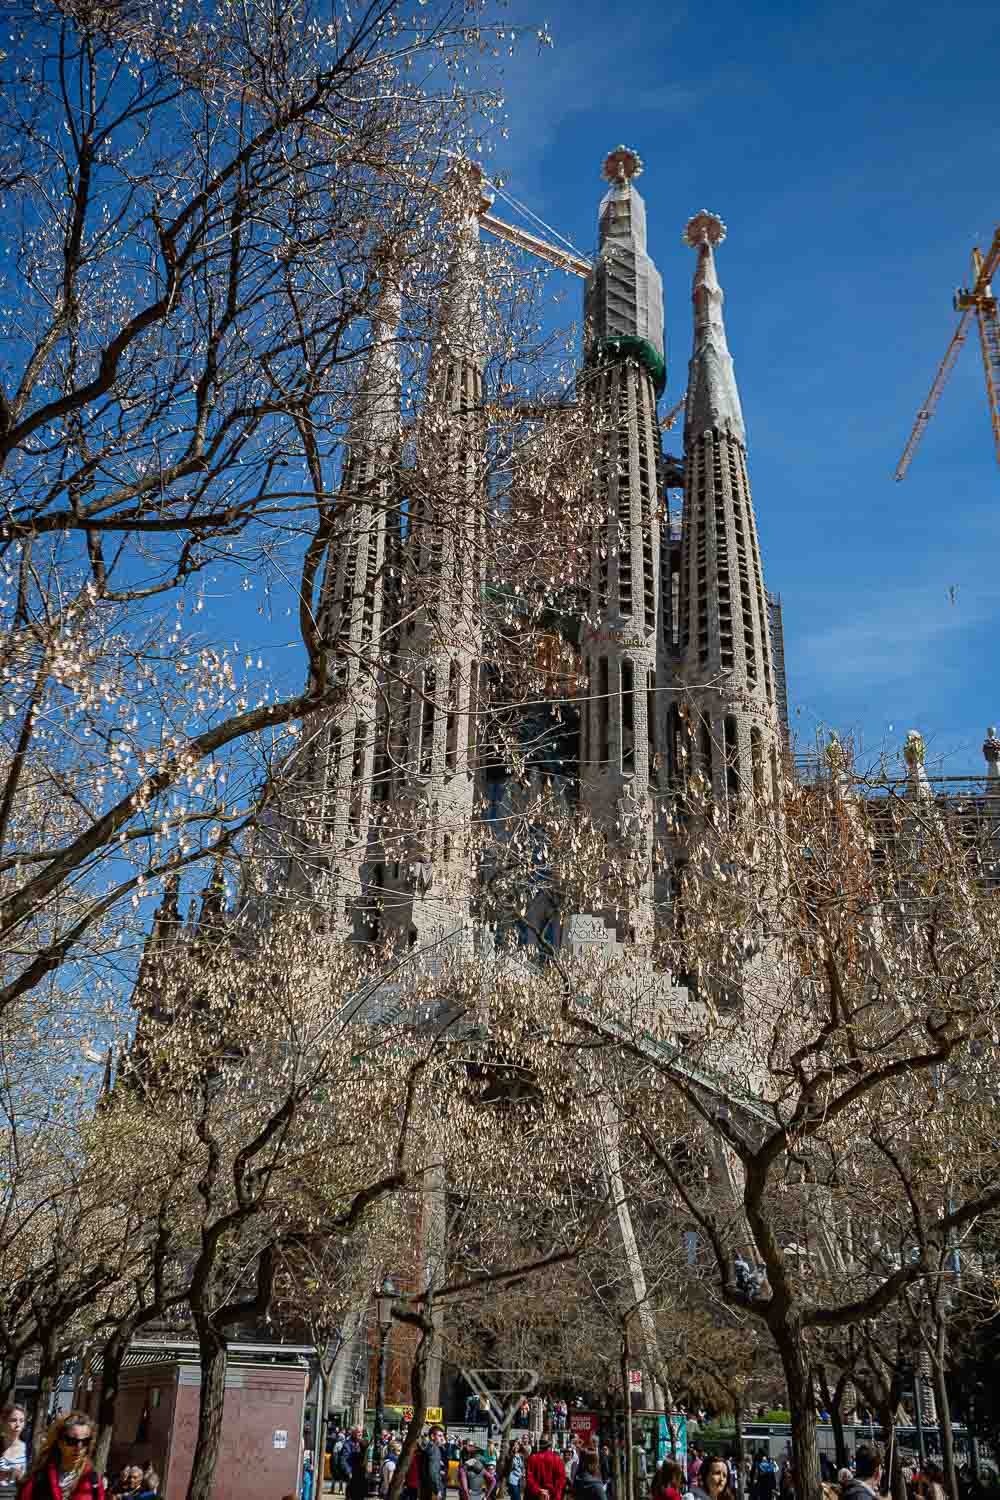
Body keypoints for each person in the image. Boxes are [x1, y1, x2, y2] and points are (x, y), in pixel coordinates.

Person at [18, 1412, 105, 1500]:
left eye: (85, 1441)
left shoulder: (93, 1481)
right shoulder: (39, 1478)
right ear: (60, 1442)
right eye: (72, 1441)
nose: (79, 1447)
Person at [526, 1434, 567, 1500]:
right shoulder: (557, 1459)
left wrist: (539, 1490)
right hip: (552, 1496)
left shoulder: (533, 1458)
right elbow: (561, 1479)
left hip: (536, 1496)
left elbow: (529, 1478)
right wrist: (551, 1492)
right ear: (550, 1445)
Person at [0, 1406, 27, 1493]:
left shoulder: (28, 1449)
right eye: (13, 1420)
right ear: (3, 1422)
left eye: (21, 1421)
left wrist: (21, 1476)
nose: (18, 1425)